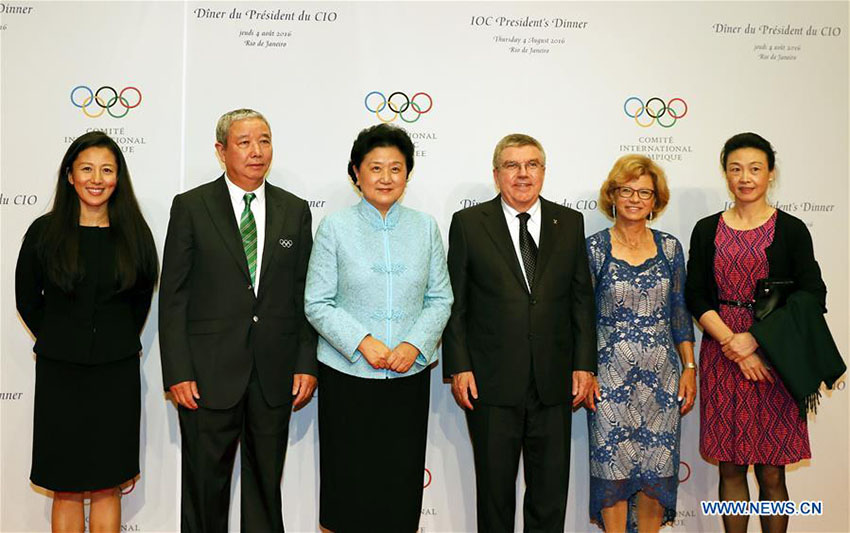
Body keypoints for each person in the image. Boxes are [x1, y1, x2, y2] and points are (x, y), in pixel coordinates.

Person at [159, 109, 317, 533]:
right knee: (204, 488)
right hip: (206, 375)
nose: (256, 151)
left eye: (264, 140)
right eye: (244, 142)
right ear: (221, 150)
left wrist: (305, 362)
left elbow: (306, 294)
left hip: (274, 371)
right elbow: (173, 297)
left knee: (266, 488)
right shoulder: (191, 207)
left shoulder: (294, 210)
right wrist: (177, 370)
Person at [442, 133, 597, 532]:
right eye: (512, 165)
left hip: (554, 381)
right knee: (494, 495)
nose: (522, 174)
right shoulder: (469, 224)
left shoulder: (570, 222)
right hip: (490, 383)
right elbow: (455, 305)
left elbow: (582, 300)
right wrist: (459, 366)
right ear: (496, 175)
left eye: (532, 165)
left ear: (544, 172)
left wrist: (584, 364)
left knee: (549, 495)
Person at [304, 123, 453, 532]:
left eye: (396, 168)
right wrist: (362, 341)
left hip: (408, 376)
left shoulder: (425, 228)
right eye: (375, 168)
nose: (385, 178)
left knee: (399, 488)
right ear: (356, 173)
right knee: (346, 487)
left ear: (408, 174)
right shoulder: (335, 227)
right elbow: (317, 301)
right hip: (348, 376)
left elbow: (440, 298)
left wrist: (414, 345)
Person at [15, 131, 158, 533]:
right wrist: (63, 338)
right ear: (70, 176)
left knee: (107, 485)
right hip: (61, 374)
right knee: (66, 486)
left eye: (107, 169)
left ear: (119, 177)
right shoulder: (43, 233)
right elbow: (27, 299)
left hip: (116, 373)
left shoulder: (134, 235)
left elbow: (141, 301)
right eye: (87, 169)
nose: (97, 178)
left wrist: (113, 340)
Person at [685, 132, 826, 533]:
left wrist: (757, 340)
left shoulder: (793, 229)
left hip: (775, 360)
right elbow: (695, 294)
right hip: (722, 356)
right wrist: (733, 343)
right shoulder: (706, 228)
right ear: (725, 174)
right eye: (735, 169)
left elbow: (814, 294)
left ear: (770, 174)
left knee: (772, 472)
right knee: (730, 468)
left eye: (754, 169)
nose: (744, 177)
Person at [584, 154, 695, 533]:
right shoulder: (594, 248)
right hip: (609, 379)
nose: (634, 198)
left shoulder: (670, 248)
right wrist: (583, 371)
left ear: (656, 200)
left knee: (656, 469)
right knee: (612, 470)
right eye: (626, 190)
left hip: (663, 381)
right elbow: (580, 319)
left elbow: (680, 313)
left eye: (643, 192)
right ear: (612, 195)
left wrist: (689, 368)